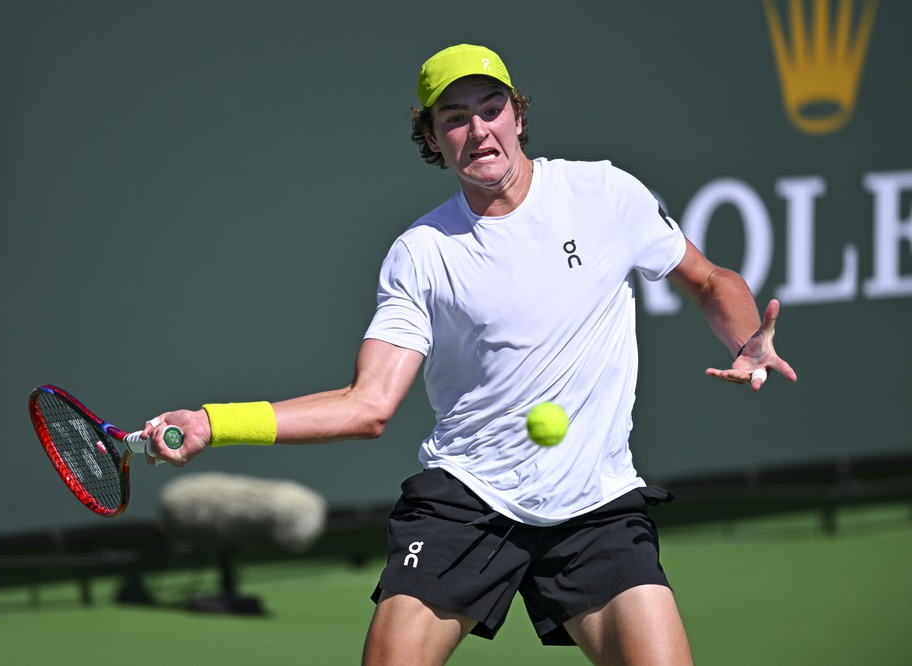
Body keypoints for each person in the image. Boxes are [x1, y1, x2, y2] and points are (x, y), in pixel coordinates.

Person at [144, 44, 797, 665]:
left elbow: (710, 280)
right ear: (432, 139)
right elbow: (367, 406)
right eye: (454, 119)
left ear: (518, 115)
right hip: (468, 499)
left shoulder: (604, 195)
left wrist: (747, 340)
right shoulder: (422, 254)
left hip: (596, 504)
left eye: (490, 109)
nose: (478, 130)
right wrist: (214, 422)